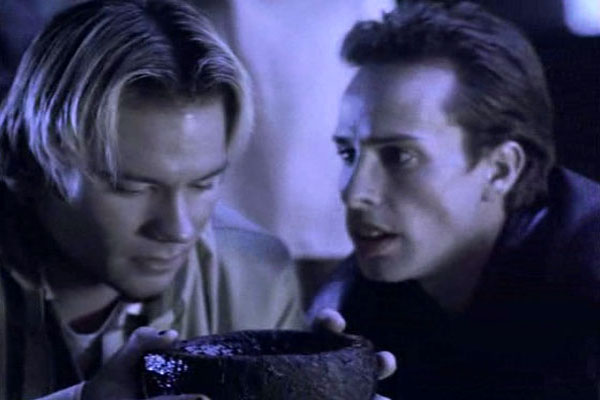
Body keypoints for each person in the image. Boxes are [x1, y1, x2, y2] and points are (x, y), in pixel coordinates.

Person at [0, 0, 304, 398]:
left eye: (203, 184)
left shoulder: (254, 277)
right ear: (37, 163)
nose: (179, 229)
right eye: (132, 188)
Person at [311, 1, 600, 398]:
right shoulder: (351, 304)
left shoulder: (586, 290)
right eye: (348, 153)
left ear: (501, 169)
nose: (355, 191)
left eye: (399, 156)